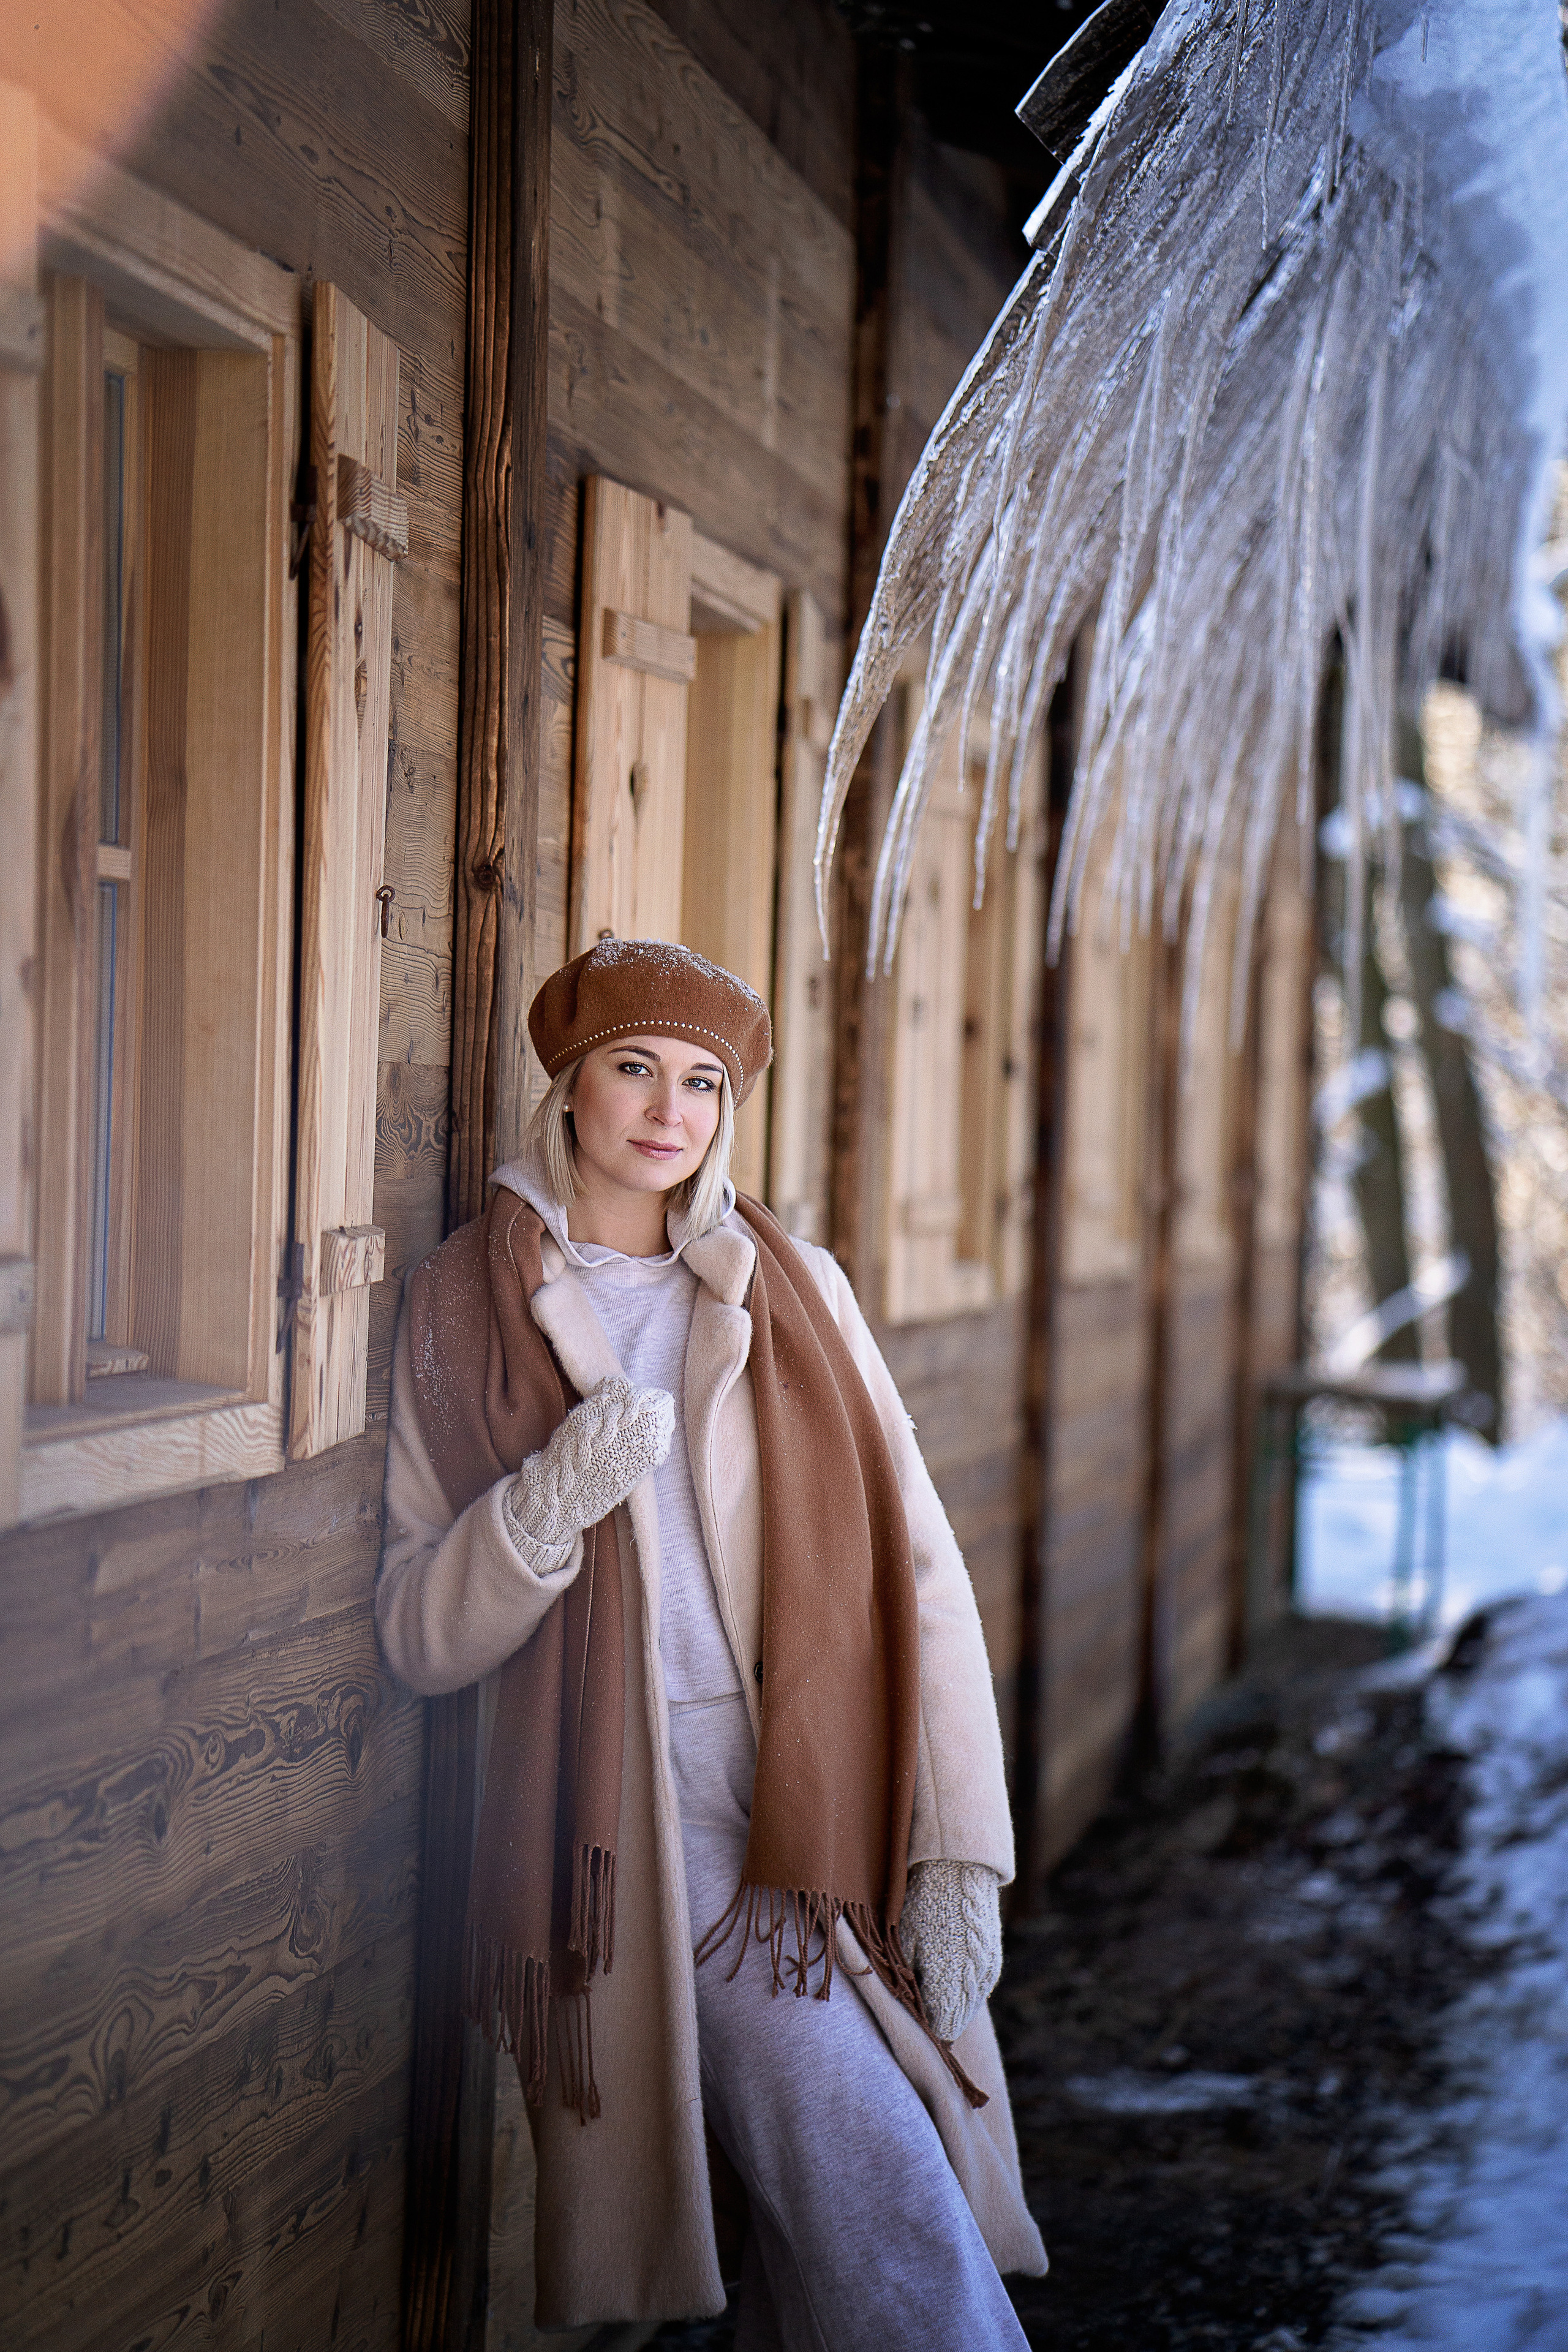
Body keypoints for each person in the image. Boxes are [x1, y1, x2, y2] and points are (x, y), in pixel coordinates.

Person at [377, 937, 1047, 2347]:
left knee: (818, 2242)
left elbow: (918, 1574)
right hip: (639, 1823)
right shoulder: (461, 1305)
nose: (665, 1111)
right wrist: (547, 1502)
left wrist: (955, 1854)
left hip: (821, 1802)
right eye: (632, 1069)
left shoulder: (794, 1288)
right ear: (569, 1087)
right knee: (881, 2188)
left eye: (699, 1082)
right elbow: (415, 1631)